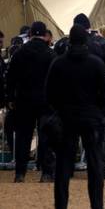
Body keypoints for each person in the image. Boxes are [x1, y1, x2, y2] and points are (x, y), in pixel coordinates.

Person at [46, 24, 105, 209]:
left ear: (69, 41)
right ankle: (96, 205)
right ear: (85, 41)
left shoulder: (58, 63)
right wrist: (97, 109)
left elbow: (49, 93)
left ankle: (61, 205)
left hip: (66, 118)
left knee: (63, 166)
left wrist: (60, 109)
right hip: (91, 118)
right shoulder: (96, 63)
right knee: (95, 165)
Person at [54, 13, 105, 179]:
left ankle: (67, 169)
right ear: (89, 26)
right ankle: (100, 168)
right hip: (93, 98)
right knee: (98, 137)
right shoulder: (99, 43)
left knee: (69, 136)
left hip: (68, 97)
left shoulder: (62, 44)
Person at [6, 22, 56, 183]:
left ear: (30, 35)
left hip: (24, 100)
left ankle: (20, 172)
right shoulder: (51, 54)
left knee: (23, 137)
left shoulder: (19, 54)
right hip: (46, 100)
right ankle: (46, 172)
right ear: (45, 36)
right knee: (46, 136)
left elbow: (10, 78)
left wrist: (10, 98)